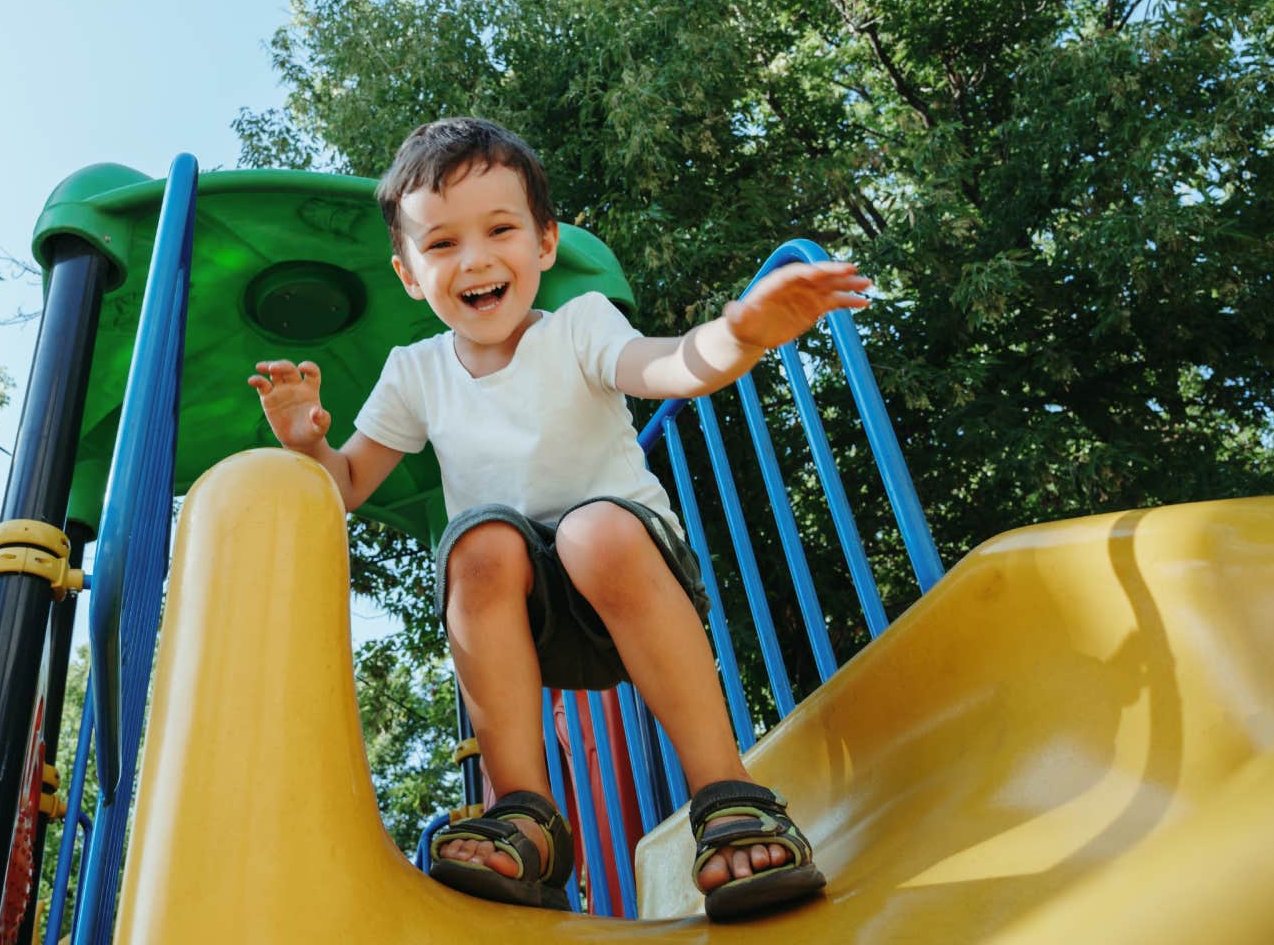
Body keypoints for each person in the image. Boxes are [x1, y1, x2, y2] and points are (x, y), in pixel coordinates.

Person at [247, 117, 868, 920]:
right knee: (478, 543)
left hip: (630, 579)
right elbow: (350, 483)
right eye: (440, 246)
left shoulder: (581, 326)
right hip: (524, 621)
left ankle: (729, 791)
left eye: (499, 230)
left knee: (590, 529)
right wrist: (306, 445)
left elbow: (668, 367)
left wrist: (738, 333)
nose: (473, 260)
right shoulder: (415, 372)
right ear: (408, 273)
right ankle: (528, 820)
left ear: (544, 243)